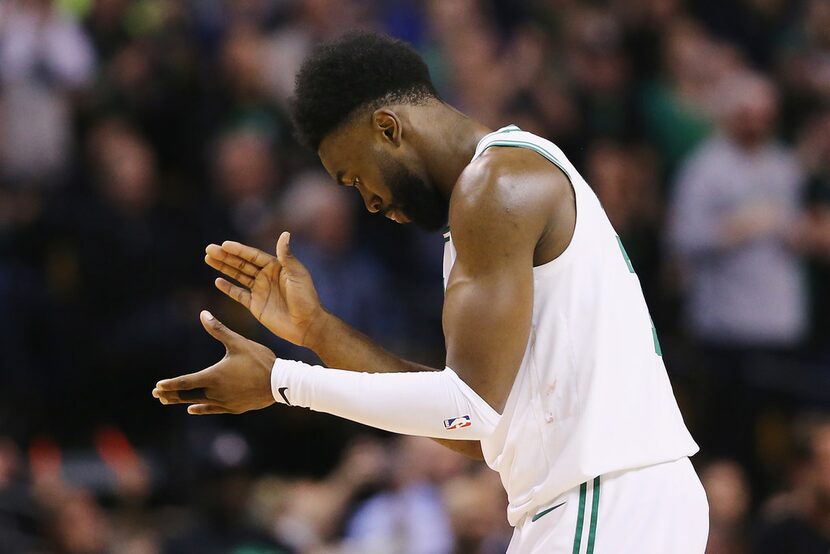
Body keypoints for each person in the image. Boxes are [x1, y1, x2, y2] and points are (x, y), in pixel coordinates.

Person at [153, 32, 708, 553]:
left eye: (354, 177)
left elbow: (468, 412)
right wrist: (317, 331)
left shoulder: (497, 186)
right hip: (607, 498)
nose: (366, 202)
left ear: (389, 128)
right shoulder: (487, 198)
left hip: (603, 499)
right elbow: (472, 433)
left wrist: (281, 381)